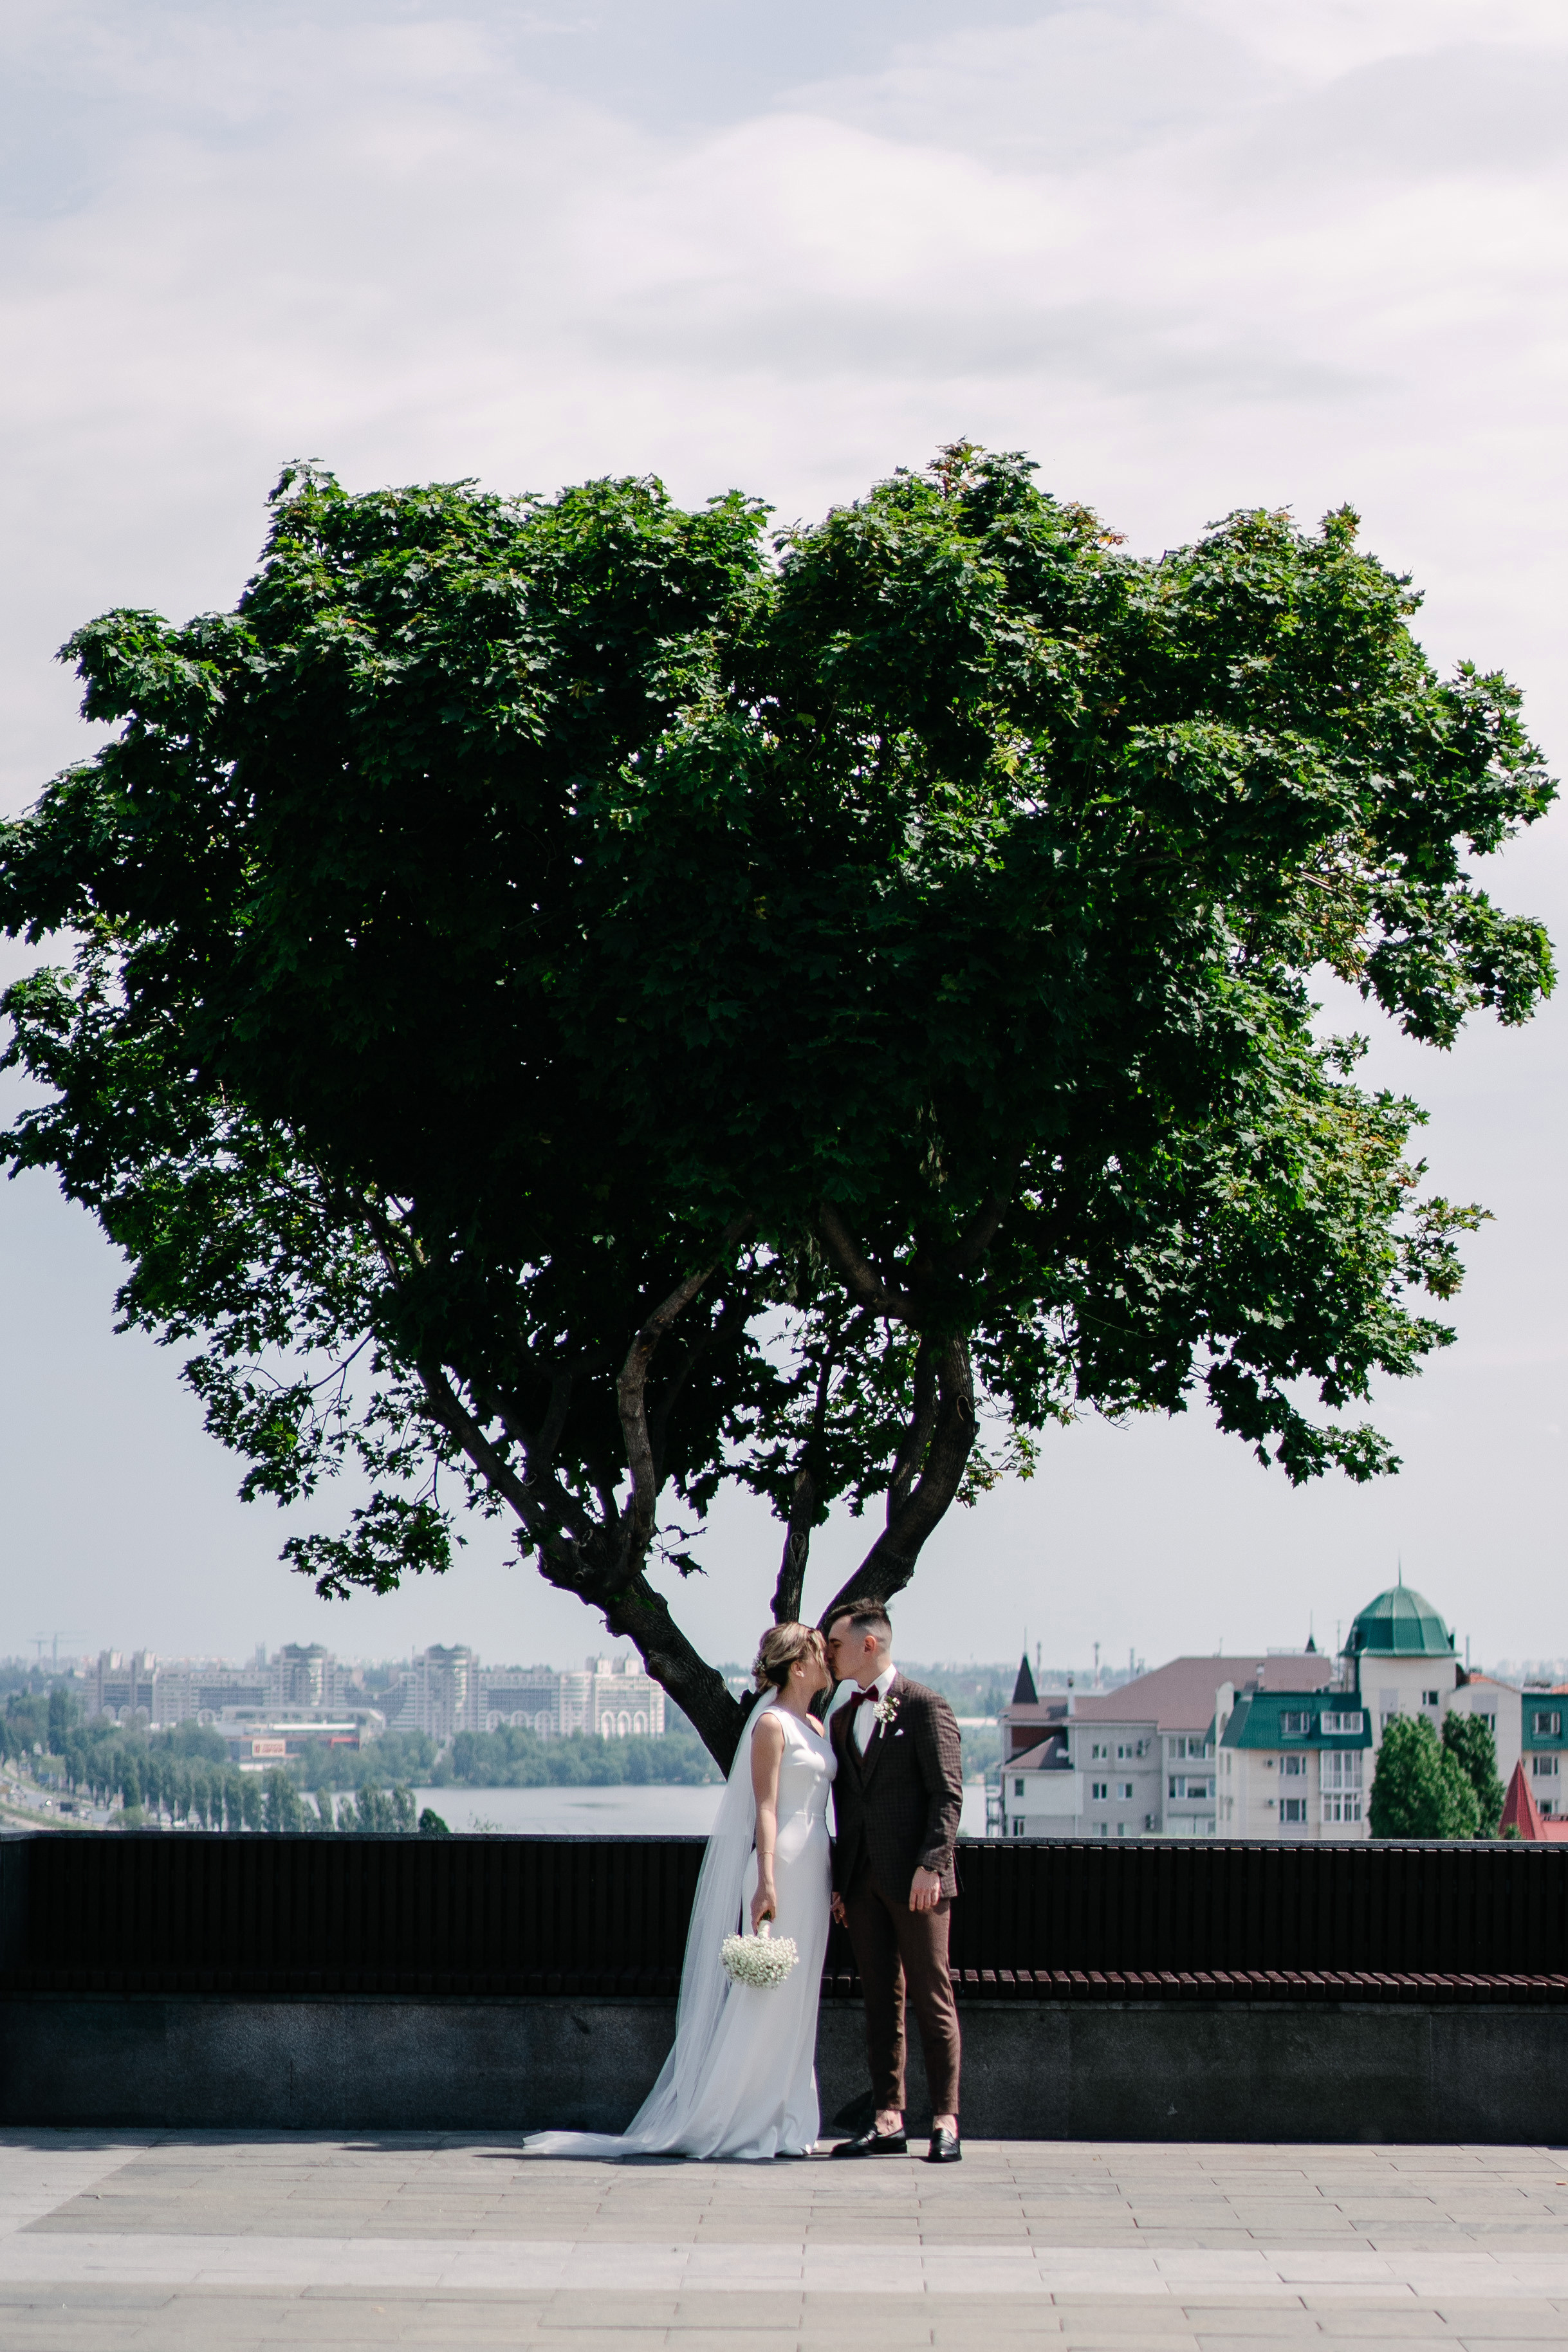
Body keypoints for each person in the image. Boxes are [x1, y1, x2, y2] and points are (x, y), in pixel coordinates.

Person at [520, 1621, 836, 2161]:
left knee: (799, 1996)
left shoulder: (814, 1723)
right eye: (820, 1652)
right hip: (780, 1863)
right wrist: (765, 1877)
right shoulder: (772, 1725)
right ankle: (737, 2116)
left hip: (815, 1867)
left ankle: (786, 2116)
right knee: (765, 1996)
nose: (830, 1659)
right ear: (799, 1665)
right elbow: (764, 1805)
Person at [824, 1601, 963, 2163]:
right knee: (880, 2001)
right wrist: (840, 1884)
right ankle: (887, 2118)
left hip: (917, 1883)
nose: (827, 1652)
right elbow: (845, 1807)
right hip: (860, 1884)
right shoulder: (840, 1718)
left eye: (834, 1642)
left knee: (932, 1996)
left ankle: (946, 2120)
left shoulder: (926, 1705)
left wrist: (931, 1863)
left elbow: (947, 1792)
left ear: (869, 1644)